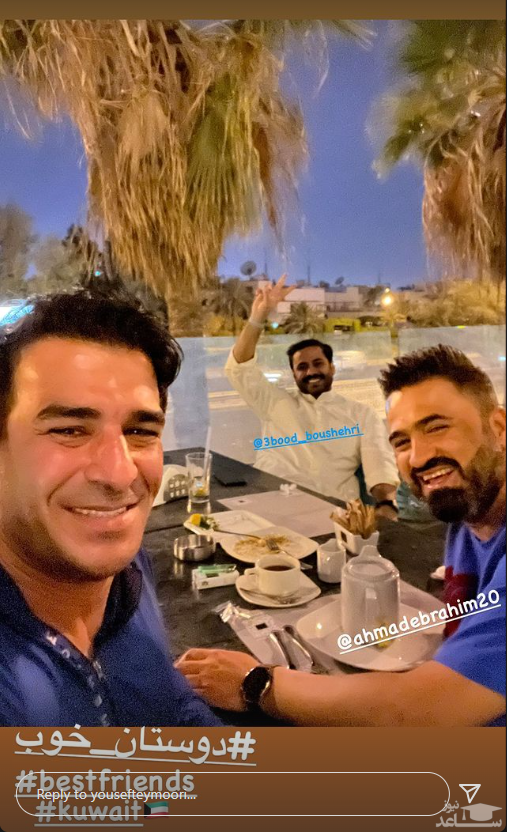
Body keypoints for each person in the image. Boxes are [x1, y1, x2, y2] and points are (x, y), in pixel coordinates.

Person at [177, 346, 506, 727]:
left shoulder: (361, 418)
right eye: (401, 441)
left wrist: (255, 684)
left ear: (499, 428)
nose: (418, 457)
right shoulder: (468, 515)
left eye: (437, 427)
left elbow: (417, 710)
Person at [0, 288, 222, 727]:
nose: (119, 474)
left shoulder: (127, 568)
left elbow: (165, 698)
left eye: (140, 431)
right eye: (69, 430)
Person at [225, 275, 399, 518]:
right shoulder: (274, 402)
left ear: (332, 368)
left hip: (335, 513)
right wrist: (257, 317)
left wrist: (386, 504)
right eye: (302, 367)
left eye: (318, 363)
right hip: (271, 506)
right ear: (294, 374)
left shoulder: (360, 414)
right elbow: (239, 368)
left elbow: (379, 464)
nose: (311, 372)